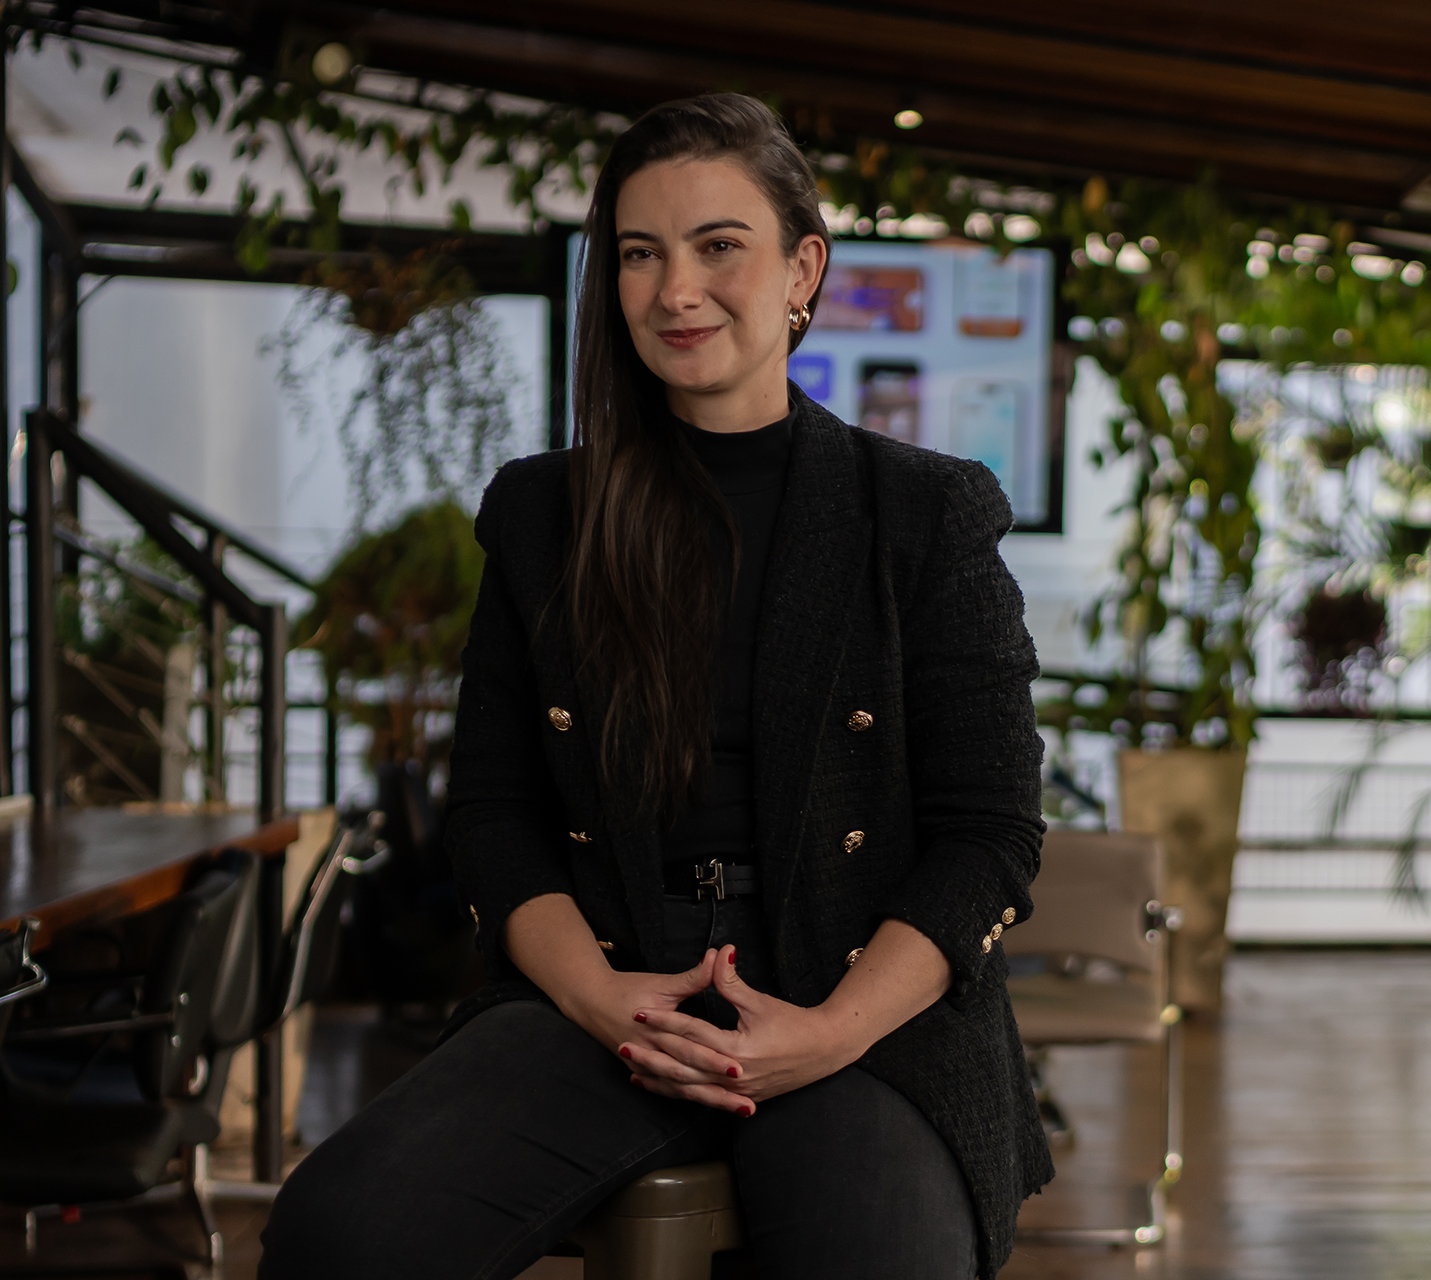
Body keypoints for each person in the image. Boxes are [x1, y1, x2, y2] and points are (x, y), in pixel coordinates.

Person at [259, 93, 1051, 1280]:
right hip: (612, 981)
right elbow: (492, 811)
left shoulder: (926, 511)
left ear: (802, 268)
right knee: (337, 1232)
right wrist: (597, 996)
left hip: (856, 1005)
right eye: (639, 253)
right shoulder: (545, 515)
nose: (676, 290)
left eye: (718, 245)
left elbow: (990, 831)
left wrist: (827, 1028)